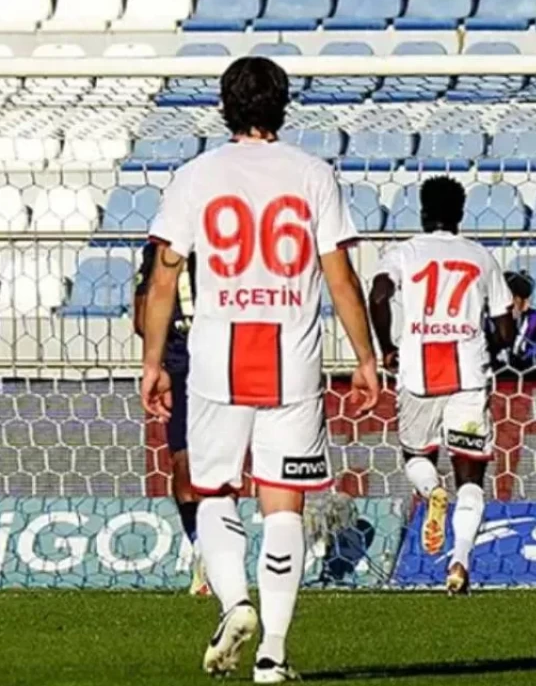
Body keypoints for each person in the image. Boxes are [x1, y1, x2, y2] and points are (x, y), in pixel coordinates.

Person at [141, 56, 380, 683]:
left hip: (217, 357)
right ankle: (272, 651)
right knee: (284, 505)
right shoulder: (313, 174)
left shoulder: (194, 175)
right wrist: (365, 357)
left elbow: (164, 275)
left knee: (215, 492)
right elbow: (340, 276)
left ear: (225, 107)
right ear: (282, 105)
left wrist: (151, 363)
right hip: (293, 358)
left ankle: (234, 604)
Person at [368, 176, 515, 595]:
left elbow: (378, 296)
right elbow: (506, 327)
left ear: (422, 212)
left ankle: (432, 491)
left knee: (416, 454)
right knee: (470, 477)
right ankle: (460, 561)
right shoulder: (480, 256)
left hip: (417, 371)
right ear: (461, 214)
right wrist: (487, 341)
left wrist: (388, 348)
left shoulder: (403, 253)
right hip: (468, 375)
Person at [133, 243, 207, 595]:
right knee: (190, 462)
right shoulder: (158, 251)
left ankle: (207, 547)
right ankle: (204, 550)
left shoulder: (220, 240)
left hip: (211, 362)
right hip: (188, 364)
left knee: (199, 463)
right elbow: (139, 315)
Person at [496, 271, 536, 376]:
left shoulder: (535, 322)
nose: (507, 305)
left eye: (512, 299)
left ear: (525, 303)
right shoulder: (488, 322)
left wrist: (513, 361)